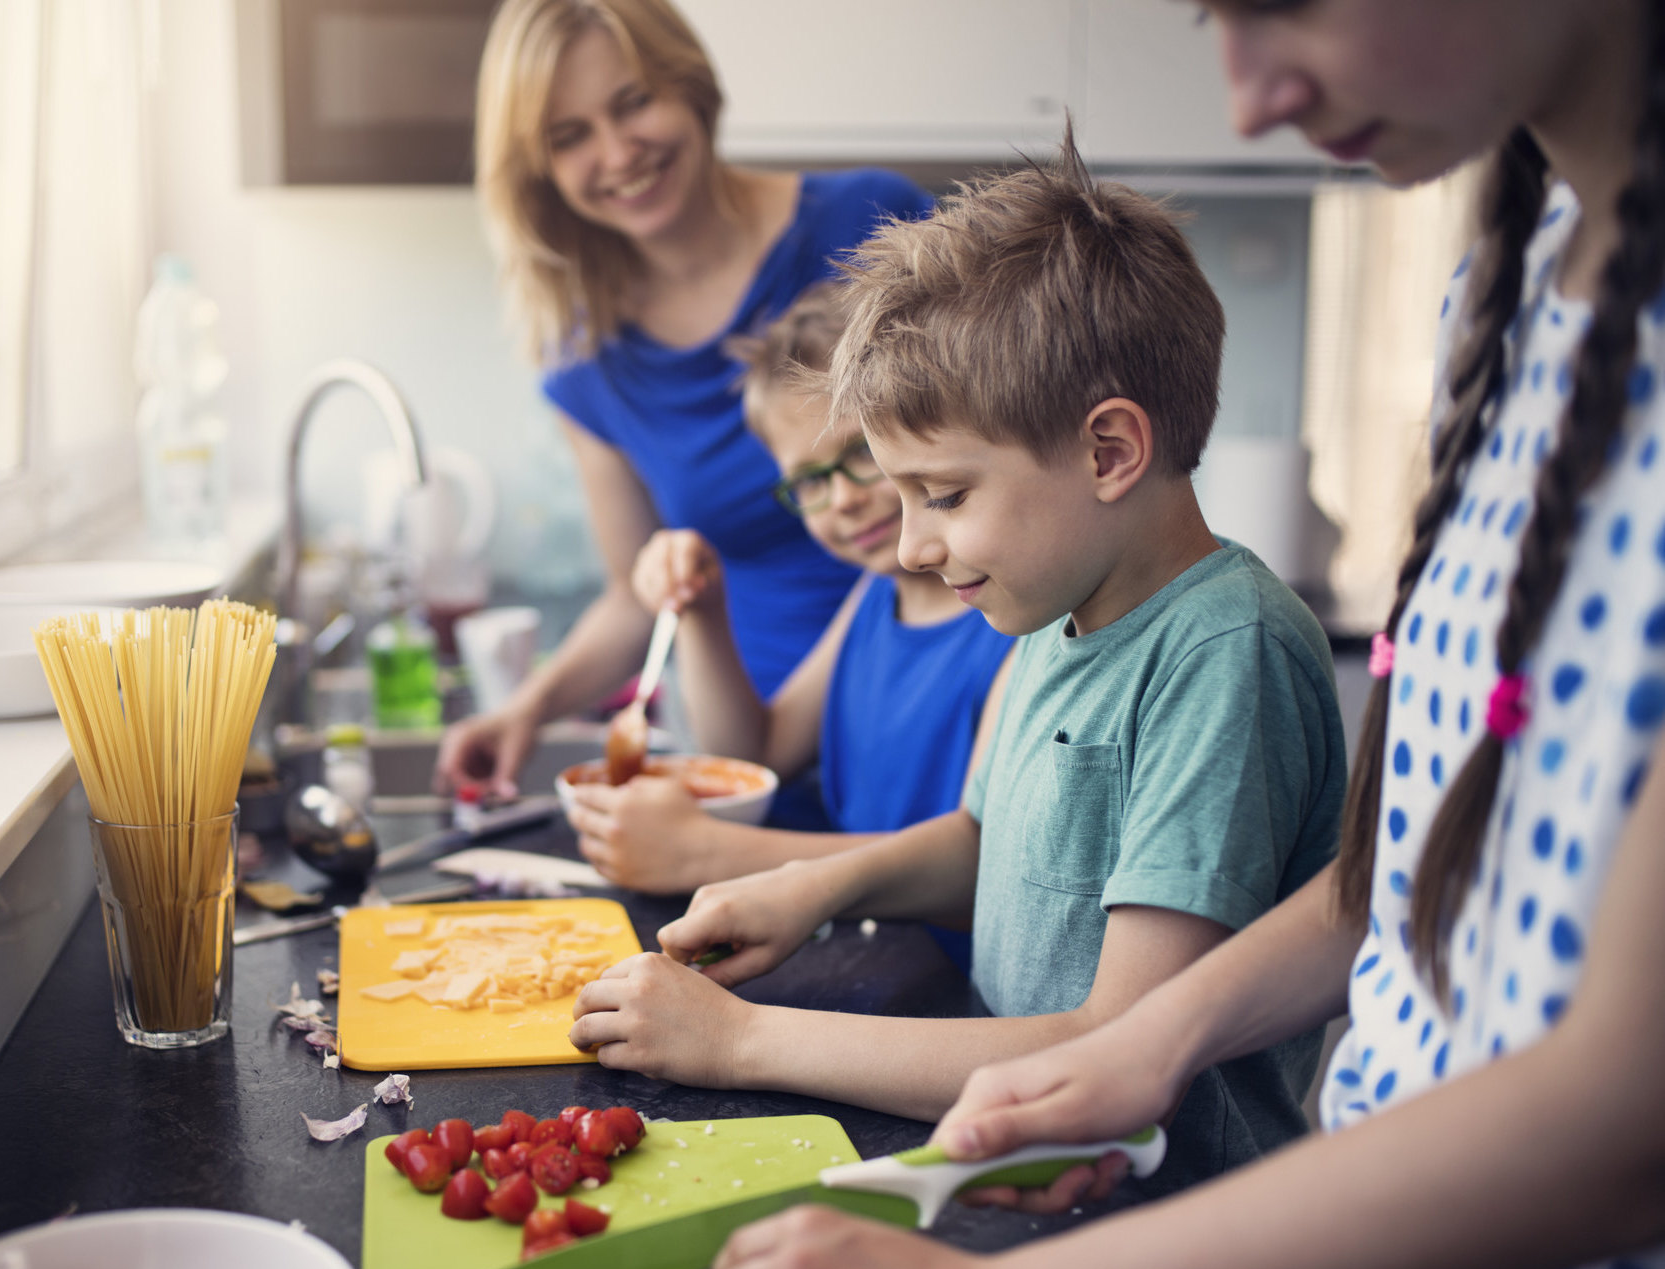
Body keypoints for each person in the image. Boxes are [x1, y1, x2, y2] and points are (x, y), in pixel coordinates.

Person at [701, 3, 1665, 1269]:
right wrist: (1147, 1044)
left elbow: (1621, 1129)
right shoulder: (1504, 293)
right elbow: (1402, 882)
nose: (1247, 95)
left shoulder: (1220, 641)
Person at [568, 127, 1347, 1195]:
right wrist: (809, 888)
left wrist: (739, 1040)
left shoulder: (1221, 654)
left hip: (1154, 1220)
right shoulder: (1056, 612)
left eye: (944, 496)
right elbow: (991, 838)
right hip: (1012, 1164)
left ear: (1109, 451)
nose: (909, 546)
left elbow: (1114, 1048)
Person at [437, 0, 935, 801]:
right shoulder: (586, 359)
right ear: (540, 171)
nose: (617, 152)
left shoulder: (871, 223)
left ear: (691, 85)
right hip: (759, 754)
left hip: (938, 705)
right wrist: (525, 710)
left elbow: (996, 455)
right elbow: (636, 598)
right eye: (569, 137)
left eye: (633, 102)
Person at [561, 283, 1014, 953]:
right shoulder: (874, 597)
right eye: (807, 480)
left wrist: (709, 853)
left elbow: (980, 867)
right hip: (874, 953)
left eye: (859, 454)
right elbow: (756, 753)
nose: (840, 501)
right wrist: (704, 613)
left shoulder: (1007, 618)